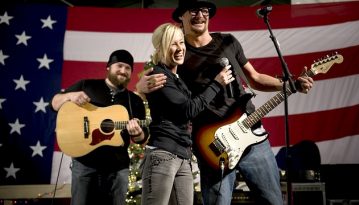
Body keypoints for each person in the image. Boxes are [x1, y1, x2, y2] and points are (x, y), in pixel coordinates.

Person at [136, 0, 314, 204]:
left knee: (273, 200)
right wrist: (141, 88)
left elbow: (255, 78)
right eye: (194, 10)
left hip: (251, 136)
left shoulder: (228, 42)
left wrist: (290, 84)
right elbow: (158, 82)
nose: (200, 15)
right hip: (212, 145)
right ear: (181, 17)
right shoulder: (177, 50)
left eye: (205, 10)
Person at [140, 23, 233, 205]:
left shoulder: (177, 79)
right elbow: (187, 110)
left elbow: (193, 110)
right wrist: (216, 84)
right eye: (173, 44)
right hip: (163, 154)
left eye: (181, 43)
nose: (180, 48)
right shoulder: (160, 76)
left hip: (182, 157)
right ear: (161, 47)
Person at [52, 49, 148, 205]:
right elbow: (55, 103)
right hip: (85, 165)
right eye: (119, 66)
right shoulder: (86, 85)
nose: (123, 71)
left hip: (118, 169)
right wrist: (70, 96)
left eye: (128, 68)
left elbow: (142, 137)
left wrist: (138, 134)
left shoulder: (134, 101)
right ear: (108, 67)